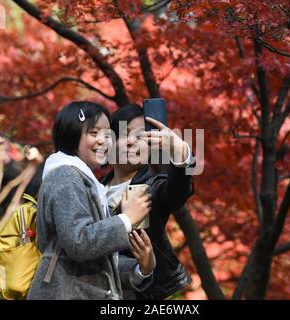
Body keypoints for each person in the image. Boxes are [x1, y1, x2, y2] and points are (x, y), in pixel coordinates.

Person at [27, 101, 155, 300]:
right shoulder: (65, 176)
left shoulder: (82, 178)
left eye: (107, 134)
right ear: (72, 134)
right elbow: (79, 242)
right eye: (94, 133)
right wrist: (126, 219)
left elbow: (92, 260)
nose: (103, 141)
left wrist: (141, 268)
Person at [101, 104, 194, 300]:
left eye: (141, 137)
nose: (132, 142)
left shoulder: (154, 188)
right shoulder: (94, 188)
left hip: (138, 293)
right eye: (125, 134)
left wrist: (179, 151)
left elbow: (179, 190)